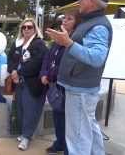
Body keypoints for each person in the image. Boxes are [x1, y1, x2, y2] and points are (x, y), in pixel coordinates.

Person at [45, 0, 113, 155]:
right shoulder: (92, 22)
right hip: (81, 88)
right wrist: (65, 41)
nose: (79, 3)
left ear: (90, 0)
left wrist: (68, 43)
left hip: (80, 90)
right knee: (88, 127)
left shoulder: (98, 26)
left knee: (77, 137)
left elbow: (97, 58)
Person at [40, 10, 80, 155]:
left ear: (76, 23)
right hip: (54, 86)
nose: (64, 21)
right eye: (64, 18)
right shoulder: (58, 40)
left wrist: (50, 75)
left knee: (68, 121)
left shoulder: (74, 41)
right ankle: (60, 143)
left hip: (66, 87)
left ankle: (68, 149)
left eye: (69, 19)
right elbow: (48, 58)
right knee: (57, 117)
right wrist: (44, 73)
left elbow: (66, 64)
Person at [8, 18, 48, 151]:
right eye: (24, 27)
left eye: (29, 27)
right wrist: (13, 71)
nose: (26, 29)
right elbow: (10, 58)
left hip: (32, 84)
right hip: (18, 83)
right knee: (21, 110)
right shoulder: (17, 43)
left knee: (31, 111)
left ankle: (26, 137)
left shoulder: (39, 44)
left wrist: (18, 72)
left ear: (35, 29)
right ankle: (23, 133)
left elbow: (36, 64)